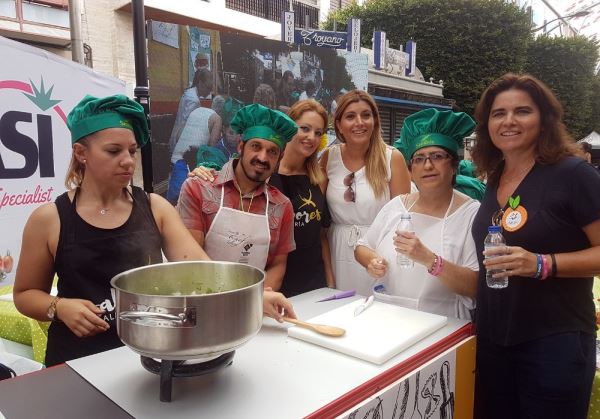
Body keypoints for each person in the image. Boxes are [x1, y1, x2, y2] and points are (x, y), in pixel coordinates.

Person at [12, 95, 294, 367]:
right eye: (114, 151)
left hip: (143, 353)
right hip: (76, 358)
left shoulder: (155, 207)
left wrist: (253, 297)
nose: (128, 161)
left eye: (132, 151)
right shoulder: (50, 218)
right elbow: (25, 294)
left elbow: (201, 269)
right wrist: (59, 307)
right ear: (81, 153)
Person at [470, 73, 600, 419]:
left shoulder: (573, 174)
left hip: (554, 342)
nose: (509, 121)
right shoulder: (496, 176)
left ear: (544, 119)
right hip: (495, 339)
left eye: (522, 111)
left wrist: (542, 264)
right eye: (499, 114)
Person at [192, 100, 335, 297]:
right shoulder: (260, 173)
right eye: (305, 129)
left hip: (310, 280)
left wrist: (330, 280)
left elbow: (321, 235)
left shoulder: (318, 177)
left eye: (318, 133)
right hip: (267, 284)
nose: (311, 137)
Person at [355, 108, 479, 319]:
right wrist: (372, 261)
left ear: (454, 166)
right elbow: (362, 247)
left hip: (443, 325)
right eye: (419, 158)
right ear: (411, 170)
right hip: (387, 316)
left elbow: (474, 286)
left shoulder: (470, 213)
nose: (428, 165)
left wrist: (430, 259)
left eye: (437, 156)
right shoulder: (397, 206)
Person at [177, 104, 297, 291]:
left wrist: (256, 302)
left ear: (279, 158)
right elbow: (191, 260)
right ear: (241, 146)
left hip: (252, 307)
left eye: (272, 151)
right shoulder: (199, 188)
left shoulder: (282, 206)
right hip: (202, 300)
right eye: (256, 146)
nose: (263, 158)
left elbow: (277, 265)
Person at [320, 89, 411, 297]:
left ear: (375, 121)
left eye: (366, 115)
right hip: (337, 251)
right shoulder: (328, 158)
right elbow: (318, 214)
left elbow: (404, 219)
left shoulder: (392, 158)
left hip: (377, 252)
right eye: (350, 116)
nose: (359, 122)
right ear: (340, 125)